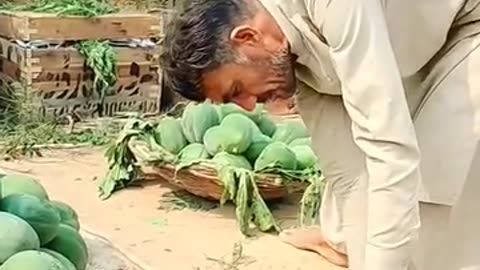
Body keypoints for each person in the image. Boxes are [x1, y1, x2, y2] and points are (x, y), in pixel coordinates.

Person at [160, 0, 480, 269]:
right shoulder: (289, 62)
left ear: (247, 37)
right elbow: (350, 178)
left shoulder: (336, 6)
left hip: (470, 25)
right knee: (371, 223)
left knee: (435, 188)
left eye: (237, 90)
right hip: (417, 44)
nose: (247, 106)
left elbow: (390, 151)